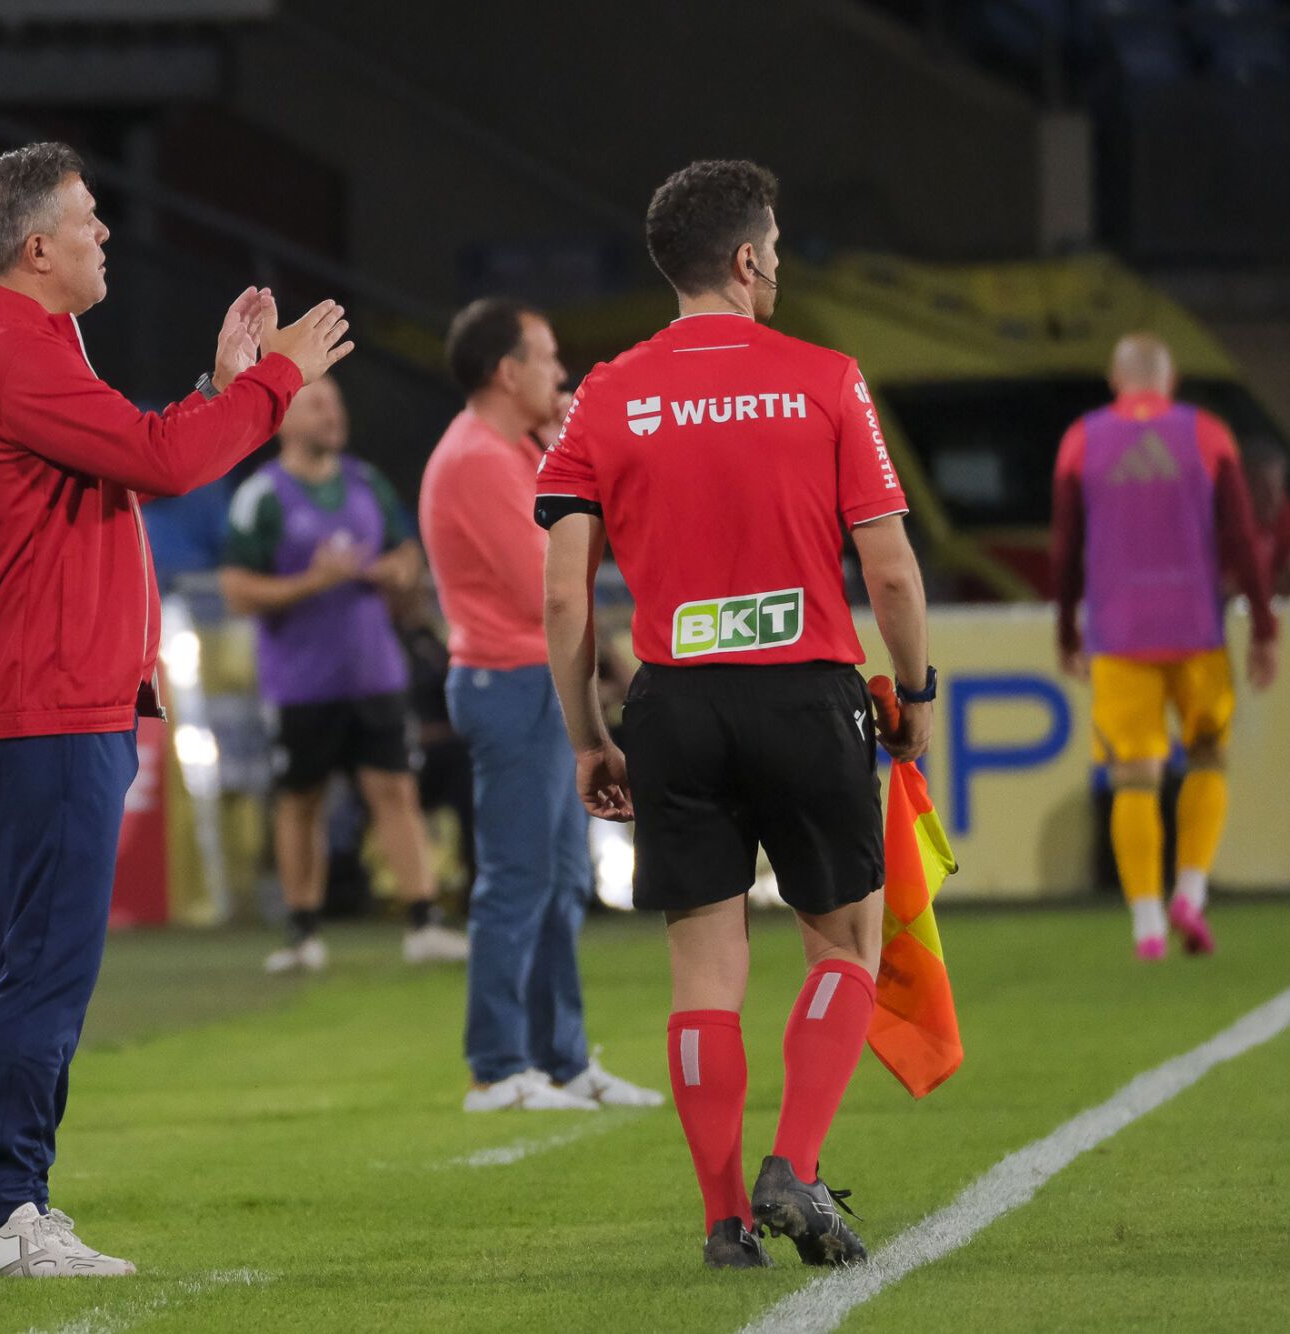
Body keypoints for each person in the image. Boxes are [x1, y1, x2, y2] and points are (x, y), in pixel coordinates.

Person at [0, 141, 351, 1279]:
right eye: (90, 217)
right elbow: (160, 465)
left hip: (31, 696)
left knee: (39, 964)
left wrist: (220, 389)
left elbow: (132, 451)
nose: (107, 232)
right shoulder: (8, 354)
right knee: (46, 972)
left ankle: (17, 1203)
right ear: (37, 247)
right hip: (44, 699)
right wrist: (275, 381)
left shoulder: (0, 345)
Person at [537, 160, 932, 1270]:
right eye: (776, 250)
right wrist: (914, 689)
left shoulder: (605, 392)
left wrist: (586, 734)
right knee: (843, 941)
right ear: (749, 258)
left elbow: (564, 592)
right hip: (805, 689)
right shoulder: (824, 377)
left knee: (703, 971)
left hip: (672, 704)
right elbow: (890, 572)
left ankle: (722, 1223)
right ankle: (792, 1168)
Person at [419, 298, 662, 1113]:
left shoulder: (510, 449)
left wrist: (561, 444)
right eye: (548, 357)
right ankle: (497, 1067)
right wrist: (624, 668)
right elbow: (548, 589)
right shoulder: (479, 460)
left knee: (558, 881)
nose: (561, 375)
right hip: (513, 683)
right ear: (506, 371)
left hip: (534, 683)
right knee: (519, 882)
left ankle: (560, 1059)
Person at [219, 376, 470, 973]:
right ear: (284, 419)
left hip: (375, 672)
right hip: (301, 683)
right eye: (317, 403)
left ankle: (423, 921)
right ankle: (303, 932)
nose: (333, 413)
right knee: (301, 800)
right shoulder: (262, 496)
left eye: (337, 401)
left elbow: (408, 554)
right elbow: (235, 590)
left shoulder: (366, 483)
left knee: (395, 791)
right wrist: (313, 582)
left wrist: (394, 571)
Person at [1051, 333, 1279, 961]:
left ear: (1115, 379)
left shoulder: (1081, 441)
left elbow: (1065, 547)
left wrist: (1067, 629)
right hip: (1196, 630)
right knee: (1207, 760)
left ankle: (1148, 924)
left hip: (1120, 636)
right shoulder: (1207, 435)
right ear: (1170, 380)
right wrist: (1264, 628)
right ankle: (1191, 890)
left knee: (1134, 778)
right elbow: (1242, 539)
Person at [1244, 442, 1290, 597]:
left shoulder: (1283, 509)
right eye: (1264, 488)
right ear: (1243, 486)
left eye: (1278, 487)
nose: (1273, 498)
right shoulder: (1224, 521)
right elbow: (1226, 584)